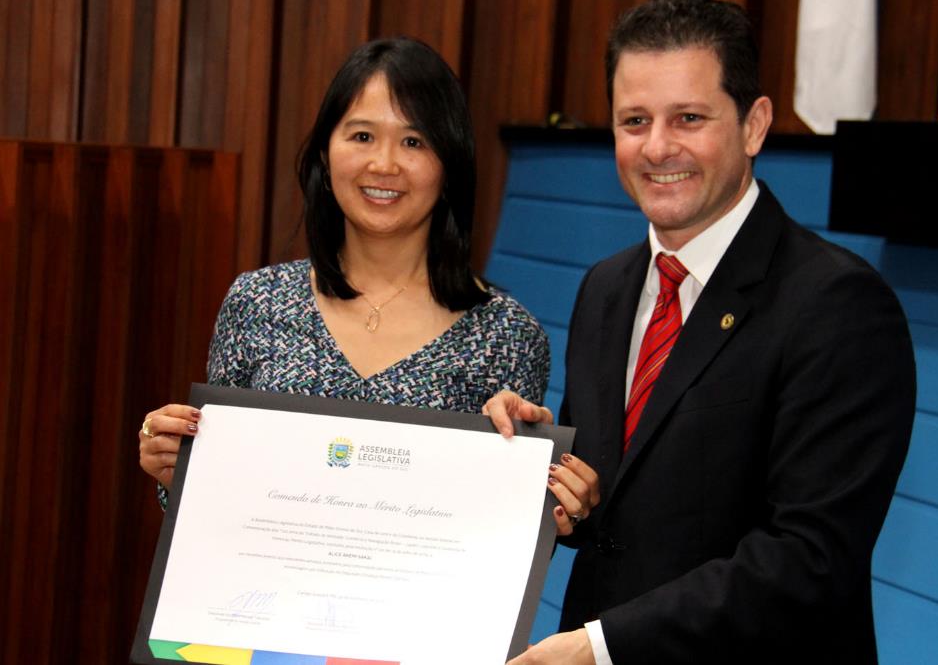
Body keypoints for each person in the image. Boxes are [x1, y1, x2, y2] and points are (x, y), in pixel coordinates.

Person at [487, 0, 916, 664]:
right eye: (634, 120)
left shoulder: (840, 305)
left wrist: (600, 646)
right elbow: (618, 504)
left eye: (689, 117)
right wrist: (546, 473)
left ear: (754, 125)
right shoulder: (605, 288)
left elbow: (809, 559)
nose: (658, 147)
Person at [138, 37, 597, 534]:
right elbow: (214, 504)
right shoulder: (256, 303)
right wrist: (174, 468)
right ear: (325, 152)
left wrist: (550, 502)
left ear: (449, 164)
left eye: (414, 141)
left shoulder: (508, 335)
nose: (384, 164)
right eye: (362, 136)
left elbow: (507, 534)